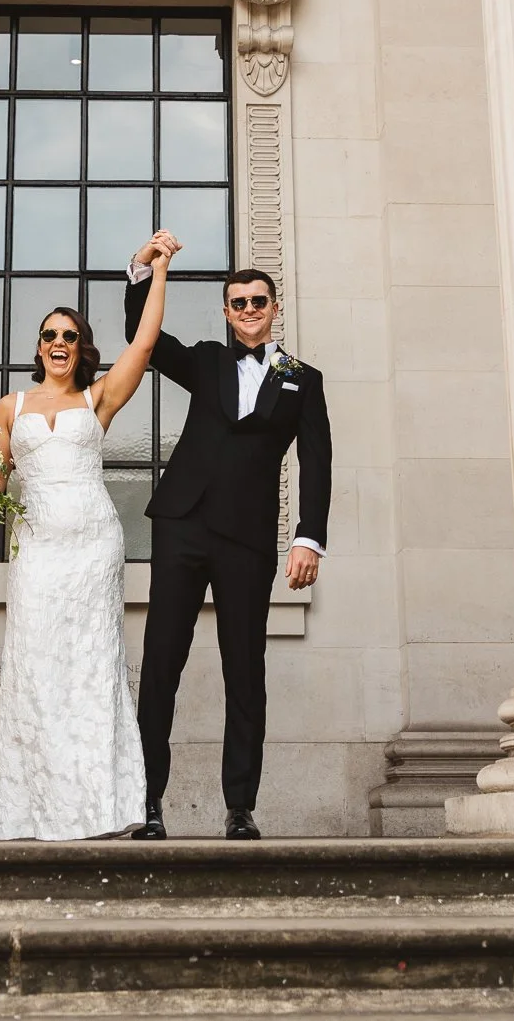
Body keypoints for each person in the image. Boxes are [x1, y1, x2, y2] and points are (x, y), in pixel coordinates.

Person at [123, 230, 332, 841]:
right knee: (163, 662)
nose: (247, 311)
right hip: (182, 524)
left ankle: (240, 806)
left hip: (246, 537)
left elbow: (316, 461)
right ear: (225, 310)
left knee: (246, 669)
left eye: (257, 302)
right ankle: (147, 802)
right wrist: (144, 269)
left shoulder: (302, 378)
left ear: (273, 308)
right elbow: (147, 340)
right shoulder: (209, 359)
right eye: (237, 302)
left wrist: (308, 538)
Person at [0, 250, 173, 840]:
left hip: (92, 548)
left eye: (70, 335)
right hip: (36, 549)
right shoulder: (10, 407)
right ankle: (33, 812)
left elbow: (143, 342)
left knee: (90, 669)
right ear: (38, 349)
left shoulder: (98, 398)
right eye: (49, 335)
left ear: (82, 348)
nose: (59, 342)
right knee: (36, 668)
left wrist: (157, 274)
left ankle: (101, 811)